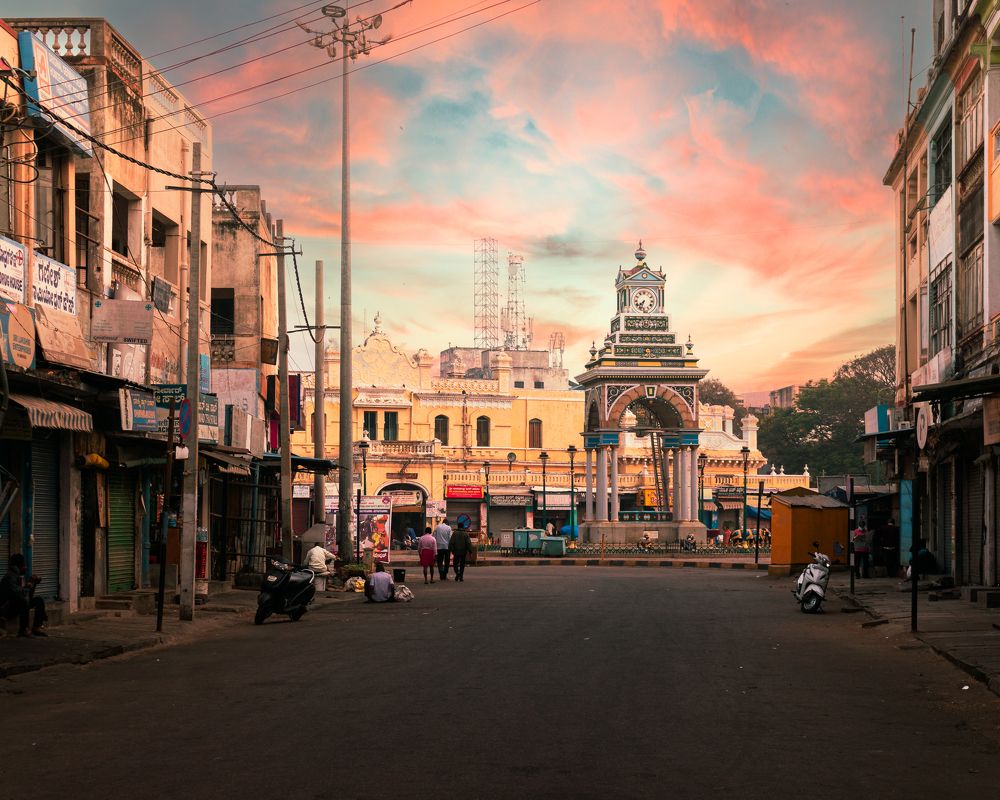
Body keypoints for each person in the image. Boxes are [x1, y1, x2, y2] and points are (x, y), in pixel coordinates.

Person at [0, 554, 47, 637]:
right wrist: (27, 586)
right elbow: (19, 595)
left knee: (39, 600)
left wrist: (33, 583)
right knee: (23, 601)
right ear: (19, 566)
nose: (26, 568)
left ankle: (37, 627)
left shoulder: (18, 576)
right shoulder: (10, 577)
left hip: (17, 605)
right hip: (6, 609)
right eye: (24, 565)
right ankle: (23, 629)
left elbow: (28, 596)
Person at [433, 517, 453, 581]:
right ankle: (445, 575)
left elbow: (434, 537)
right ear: (447, 523)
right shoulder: (449, 528)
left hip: (439, 547)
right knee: (447, 562)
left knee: (440, 561)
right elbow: (450, 538)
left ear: (443, 522)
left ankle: (441, 575)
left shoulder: (437, 527)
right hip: (447, 547)